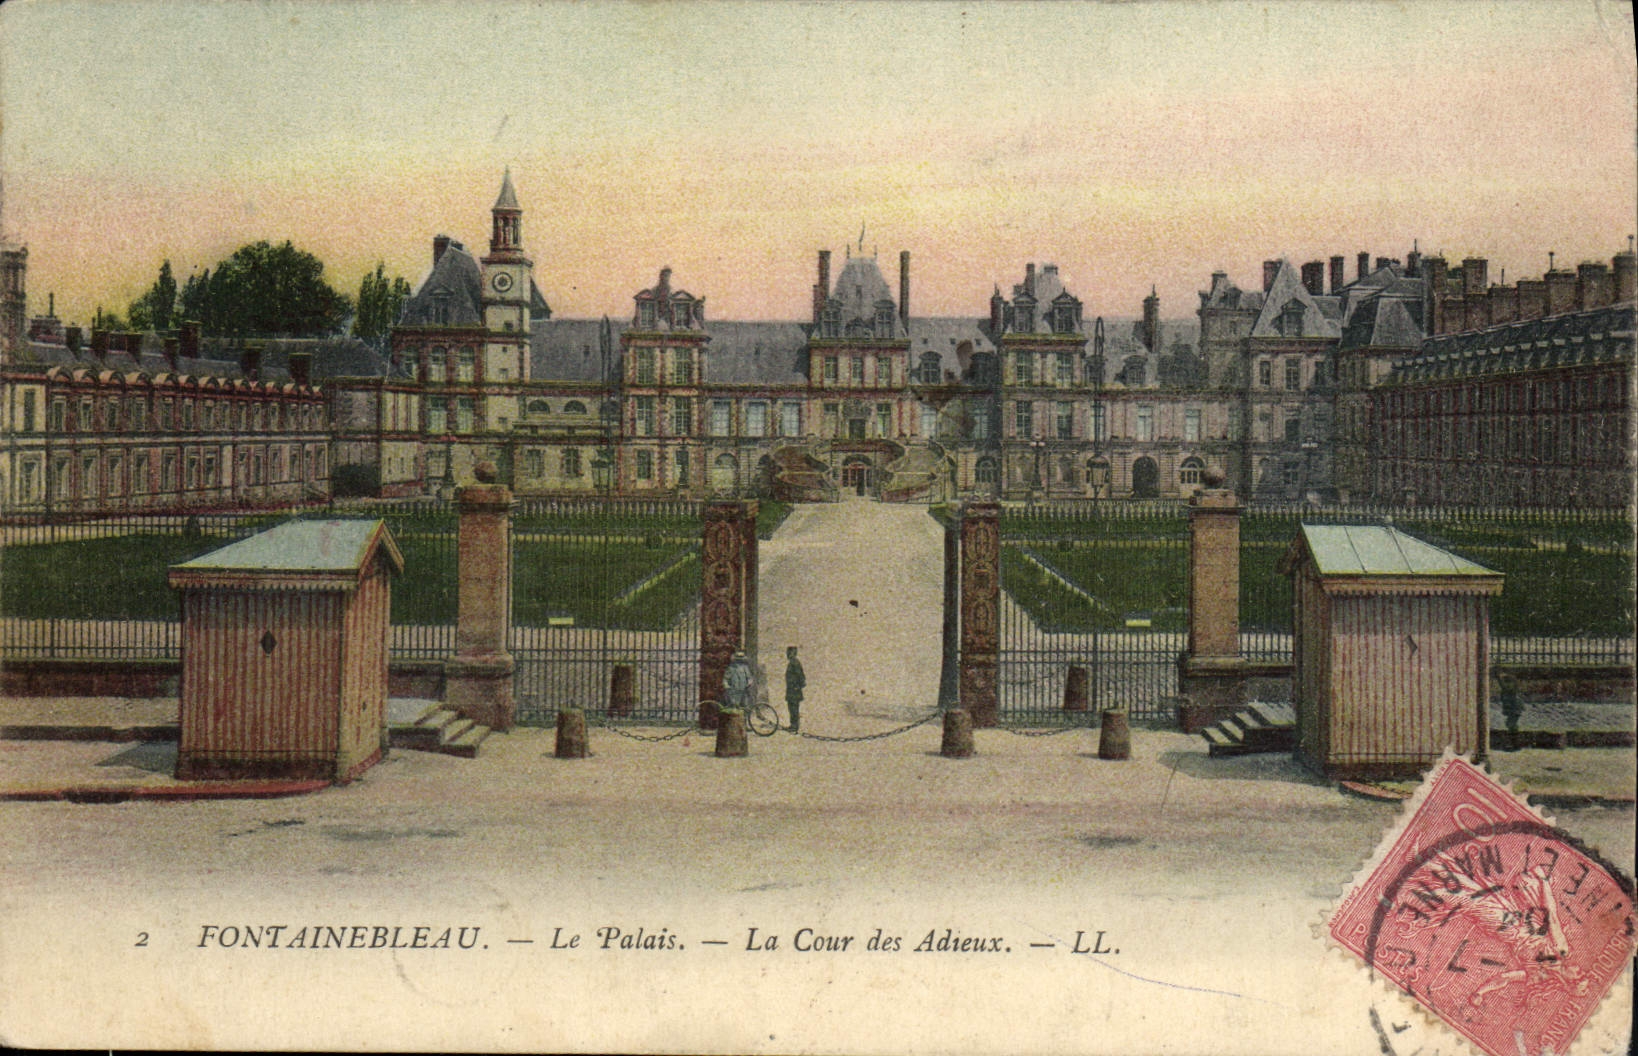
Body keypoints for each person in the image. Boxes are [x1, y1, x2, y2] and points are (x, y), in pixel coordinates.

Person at [784, 645, 806, 733]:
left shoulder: (794, 663)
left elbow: (800, 676)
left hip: (794, 689)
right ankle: (793, 725)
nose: (787, 654)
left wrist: (798, 686)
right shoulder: (793, 662)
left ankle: (794, 725)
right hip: (792, 689)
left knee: (793, 707)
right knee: (792, 707)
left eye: (789, 652)